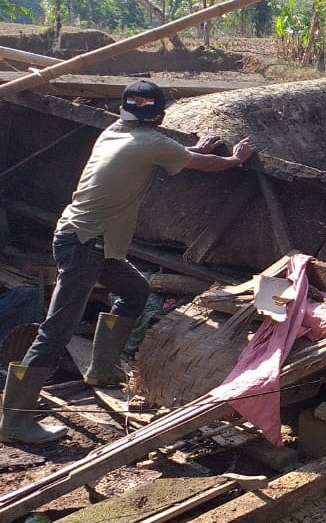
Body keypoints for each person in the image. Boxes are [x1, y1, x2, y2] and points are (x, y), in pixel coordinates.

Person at [1, 80, 256, 444]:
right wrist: (234, 160)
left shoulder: (115, 131)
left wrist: (191, 151)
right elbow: (203, 164)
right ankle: (14, 419)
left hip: (86, 239)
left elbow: (169, 153)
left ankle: (101, 370)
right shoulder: (152, 143)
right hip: (86, 244)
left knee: (134, 291)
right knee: (57, 329)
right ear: (159, 115)